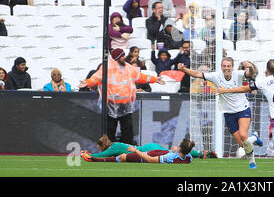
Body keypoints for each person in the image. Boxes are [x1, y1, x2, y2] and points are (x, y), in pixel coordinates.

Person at [178, 57, 263, 169]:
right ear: (221, 67)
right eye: (224, 66)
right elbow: (198, 74)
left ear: (232, 67)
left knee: (243, 135)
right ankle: (254, 138)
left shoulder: (238, 74)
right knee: (242, 144)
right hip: (228, 112)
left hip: (243, 109)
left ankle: (252, 163)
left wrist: (251, 66)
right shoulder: (216, 76)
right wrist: (184, 69)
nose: (226, 68)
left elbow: (251, 73)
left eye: (228, 66)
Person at [78, 48, 165, 144]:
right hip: (110, 104)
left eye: (124, 55)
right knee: (110, 129)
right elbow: (96, 78)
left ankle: (127, 149)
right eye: (122, 56)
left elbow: (140, 77)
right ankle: (109, 150)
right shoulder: (106, 68)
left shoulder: (129, 67)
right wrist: (87, 82)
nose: (124, 58)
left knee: (127, 129)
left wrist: (155, 79)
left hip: (125, 104)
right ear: (117, 58)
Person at [81, 134, 217, 160]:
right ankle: (202, 154)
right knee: (173, 152)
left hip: (148, 150)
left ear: (102, 145)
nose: (98, 149)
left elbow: (101, 155)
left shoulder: (113, 148)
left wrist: (89, 155)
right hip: (148, 147)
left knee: (174, 152)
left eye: (97, 147)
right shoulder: (115, 146)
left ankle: (201, 154)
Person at [84, 138, 196, 164]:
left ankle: (93, 160)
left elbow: (150, 159)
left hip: (148, 152)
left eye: (179, 145)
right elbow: (186, 153)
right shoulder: (188, 157)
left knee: (122, 157)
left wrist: (135, 150)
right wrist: (175, 150)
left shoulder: (115, 146)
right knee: (123, 156)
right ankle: (203, 153)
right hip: (155, 150)